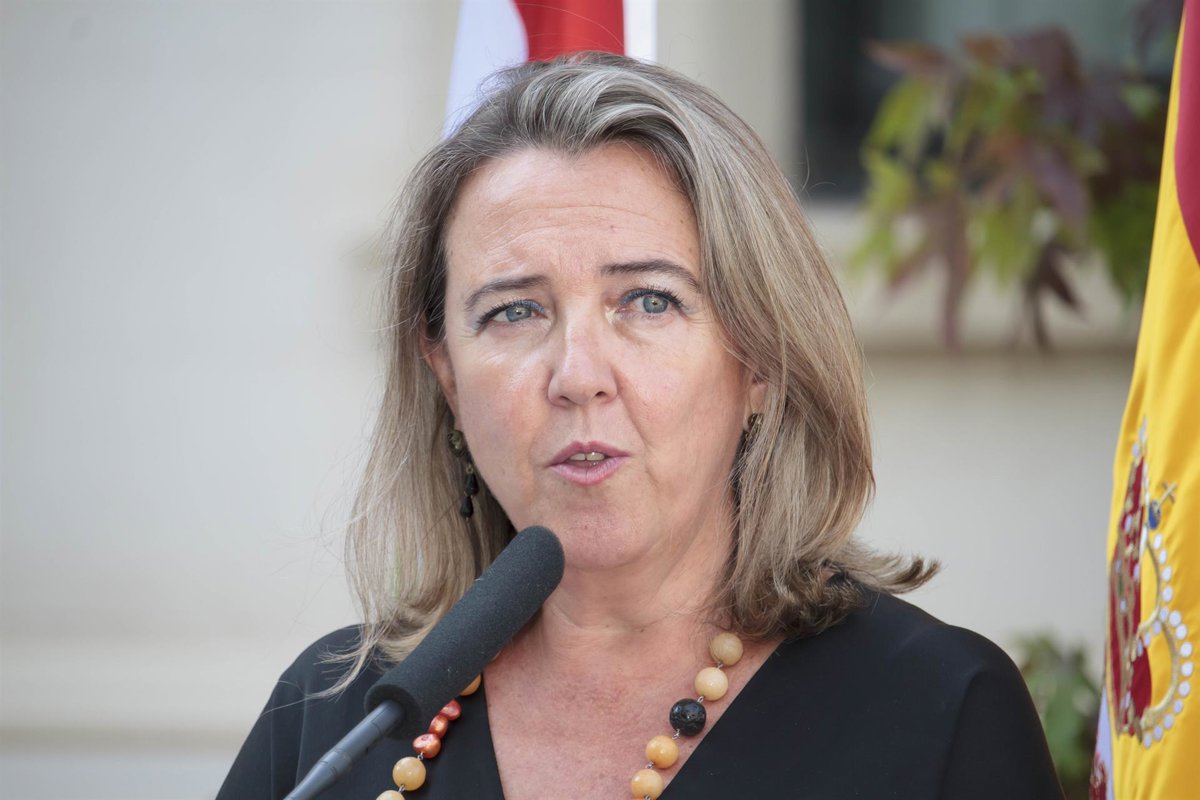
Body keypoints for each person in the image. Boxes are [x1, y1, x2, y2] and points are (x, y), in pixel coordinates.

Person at [218, 53, 1062, 799]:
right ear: (446, 377)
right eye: (514, 311)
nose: (578, 375)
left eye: (648, 301)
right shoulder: (336, 719)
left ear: (759, 361)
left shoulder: (937, 712)